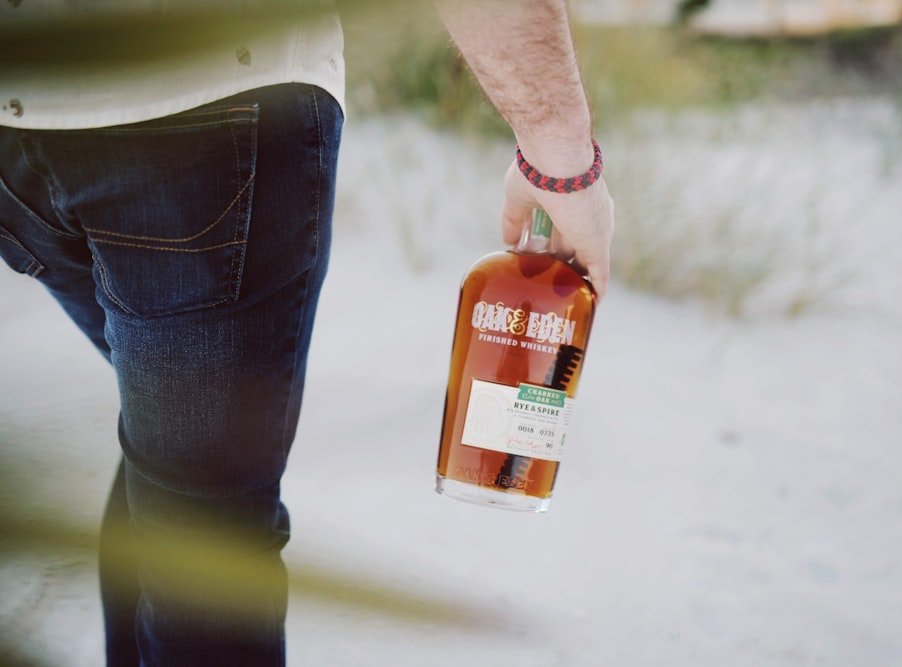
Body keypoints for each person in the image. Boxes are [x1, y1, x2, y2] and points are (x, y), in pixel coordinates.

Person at [0, 1, 614, 664]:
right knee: (205, 517)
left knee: (175, 456)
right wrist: (561, 159)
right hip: (201, 113)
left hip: (20, 124)